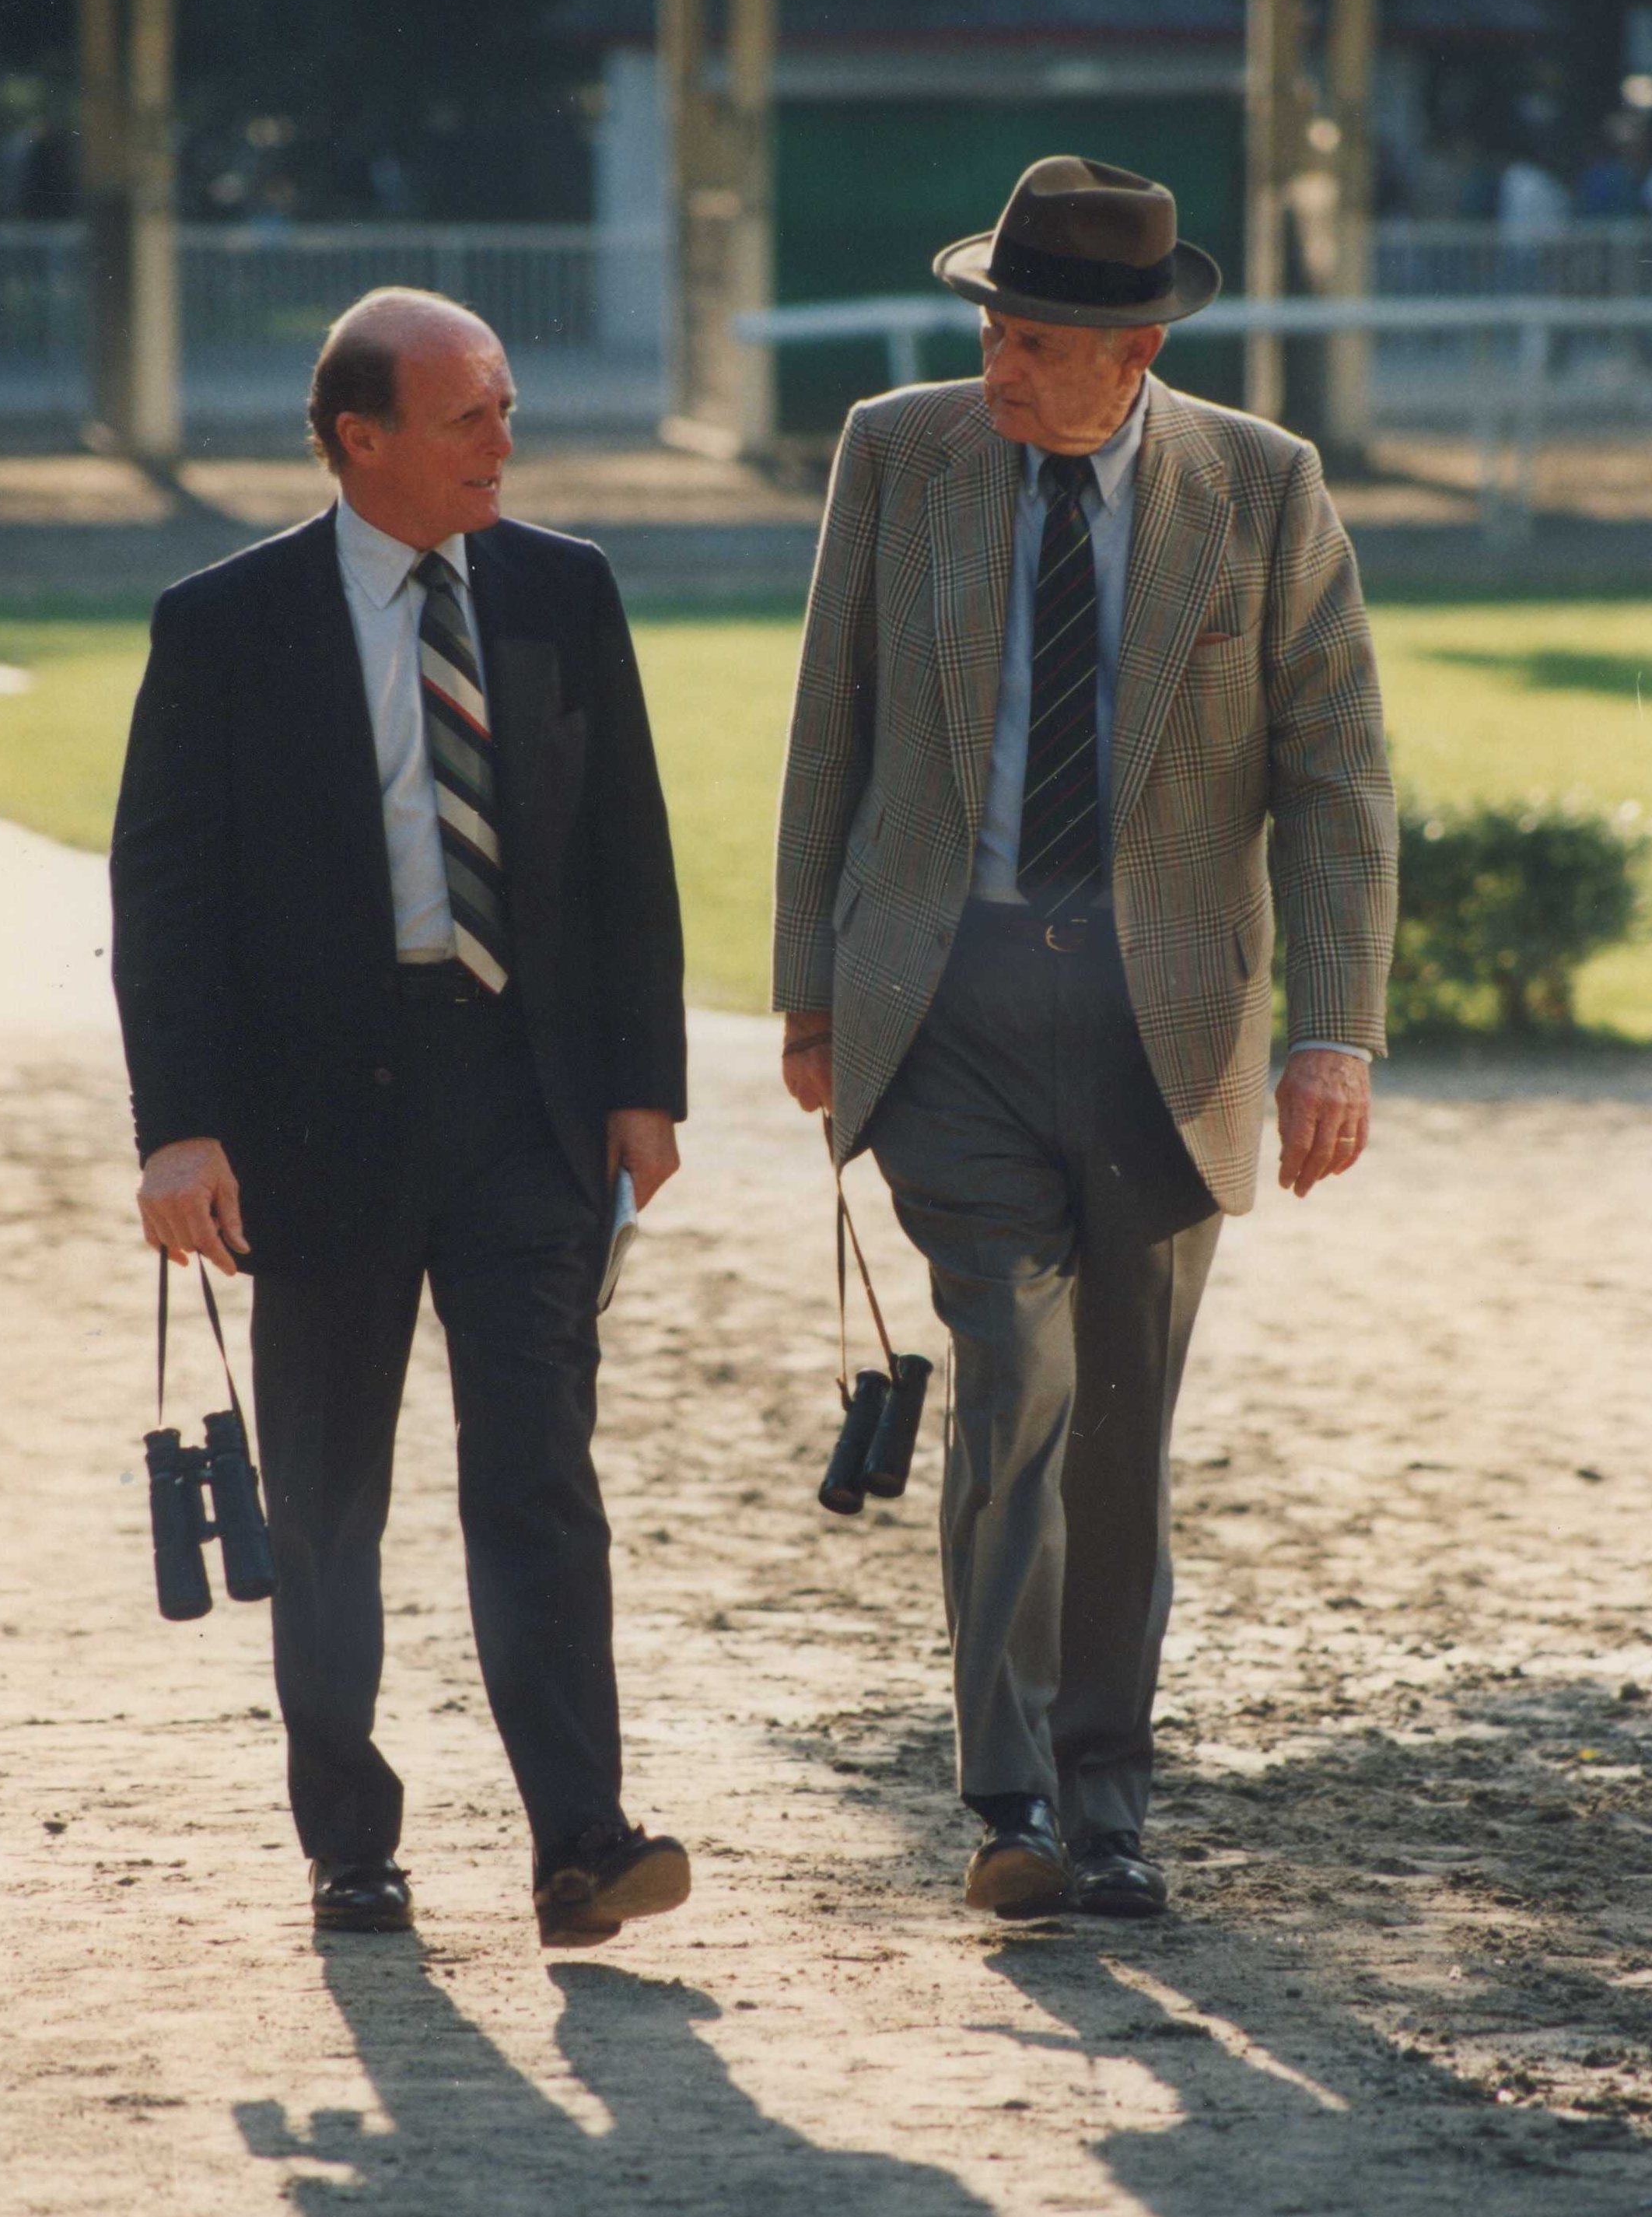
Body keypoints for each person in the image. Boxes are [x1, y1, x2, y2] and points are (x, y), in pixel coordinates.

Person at [774, 159, 1397, 1921]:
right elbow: (831, 721)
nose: (999, 365)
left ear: (1131, 353)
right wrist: (809, 986)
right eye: (989, 324)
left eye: (1034, 340)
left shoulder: (1261, 491)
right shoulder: (896, 454)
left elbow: (1336, 774)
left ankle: (1109, 1805)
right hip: (945, 1010)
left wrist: (1331, 1034)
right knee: (1014, 1375)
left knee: (1119, 1420)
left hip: (1161, 1033)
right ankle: (1009, 1801)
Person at [112, 287, 691, 1949]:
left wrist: (642, 1083)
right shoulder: (222, 623)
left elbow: (626, 856)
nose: (506, 441)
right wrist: (180, 1128)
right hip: (316, 1123)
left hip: (528, 1105)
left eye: (506, 406)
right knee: (328, 1498)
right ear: (360, 440)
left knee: (536, 1477)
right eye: (468, 418)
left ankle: (580, 1837)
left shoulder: (564, 591)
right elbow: (163, 895)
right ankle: (349, 1843)